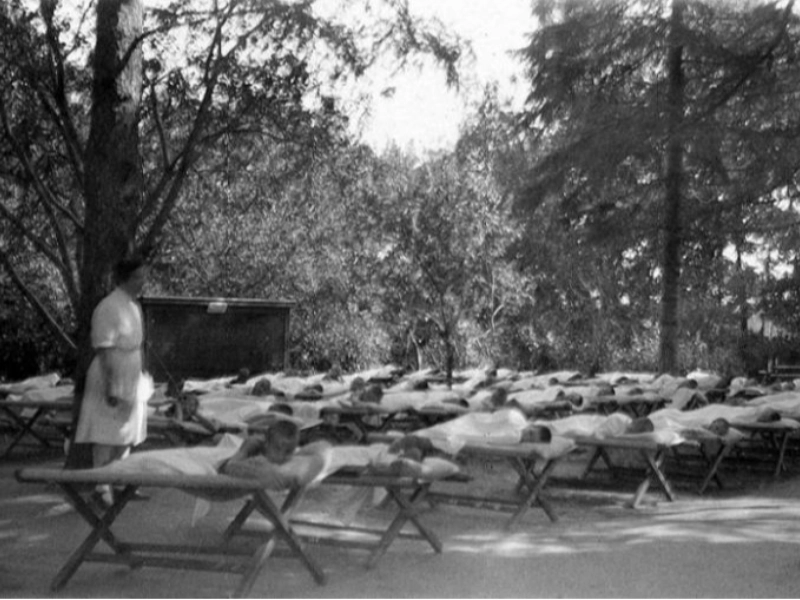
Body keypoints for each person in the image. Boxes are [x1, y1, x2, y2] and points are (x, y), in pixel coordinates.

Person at [74, 254, 152, 507]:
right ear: (125, 278)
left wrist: (141, 375)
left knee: (128, 432)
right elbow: (104, 348)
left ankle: (119, 481)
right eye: (138, 277)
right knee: (106, 432)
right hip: (110, 373)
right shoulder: (108, 307)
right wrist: (111, 385)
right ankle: (101, 487)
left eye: (143, 277)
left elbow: (137, 346)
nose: (142, 282)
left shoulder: (133, 306)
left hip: (131, 375)